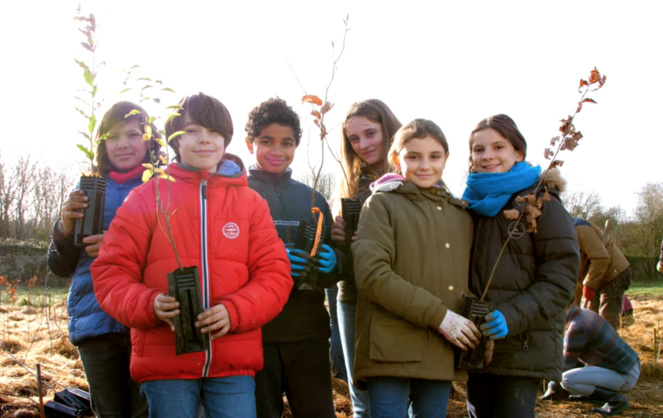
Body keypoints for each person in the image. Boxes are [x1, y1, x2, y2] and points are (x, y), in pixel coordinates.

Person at [91, 93, 292, 418]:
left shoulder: (251, 204)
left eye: (214, 133)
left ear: (226, 140)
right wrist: (149, 304)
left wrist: (235, 311)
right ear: (174, 139)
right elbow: (110, 274)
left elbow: (275, 276)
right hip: (165, 365)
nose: (205, 140)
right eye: (193, 130)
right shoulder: (145, 199)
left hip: (233, 365)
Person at [352, 119, 480, 418]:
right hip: (388, 346)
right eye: (413, 156)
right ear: (397, 159)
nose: (425, 165)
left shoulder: (460, 214)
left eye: (434, 156)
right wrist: (440, 316)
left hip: (439, 345)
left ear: (446, 159)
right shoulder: (381, 205)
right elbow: (373, 276)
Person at [47, 101, 161, 418]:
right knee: (108, 411)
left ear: (150, 139)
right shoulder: (86, 189)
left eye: (133, 134)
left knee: (145, 411)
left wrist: (119, 245)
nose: (122, 143)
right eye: (112, 136)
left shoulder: (164, 187)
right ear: (102, 143)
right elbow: (59, 267)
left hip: (148, 319)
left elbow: (179, 252)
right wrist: (64, 228)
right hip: (94, 319)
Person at [461, 114, 579, 417]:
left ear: (518, 153)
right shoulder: (468, 205)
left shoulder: (541, 203)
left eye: (498, 147)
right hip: (475, 342)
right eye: (478, 149)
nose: (487, 156)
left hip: (521, 343)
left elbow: (560, 279)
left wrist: (512, 316)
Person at [244, 97, 342, 418]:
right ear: (250, 143)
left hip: (309, 334)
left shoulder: (312, 197)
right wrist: (268, 259)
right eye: (266, 141)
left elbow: (331, 254)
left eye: (287, 143)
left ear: (297, 145)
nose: (277, 150)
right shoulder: (237, 195)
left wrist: (333, 263)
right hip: (256, 335)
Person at [330, 99, 402, 417]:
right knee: (362, 400)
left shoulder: (417, 173)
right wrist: (339, 241)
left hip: (401, 299)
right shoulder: (348, 185)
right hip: (353, 298)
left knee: (400, 396)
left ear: (388, 129)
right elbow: (343, 259)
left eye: (370, 133)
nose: (363, 145)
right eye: (354, 139)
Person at [572, 218, 631, 329]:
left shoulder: (579, 228)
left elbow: (601, 258)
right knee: (590, 321)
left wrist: (589, 285)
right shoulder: (558, 243)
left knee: (606, 322)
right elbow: (577, 277)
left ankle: (609, 345)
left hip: (613, 273)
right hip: (595, 277)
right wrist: (574, 308)